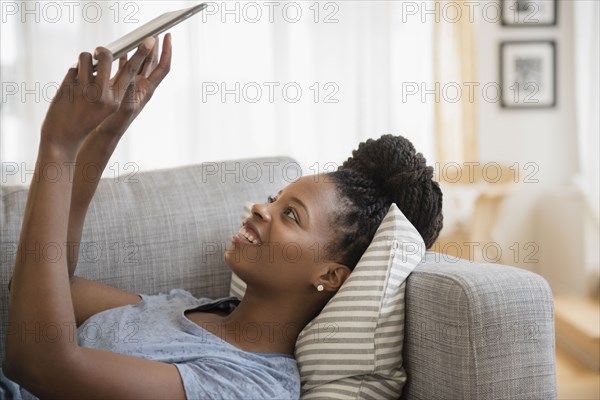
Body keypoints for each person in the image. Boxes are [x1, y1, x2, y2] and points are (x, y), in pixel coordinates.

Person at [1, 34, 443, 399]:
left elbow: (40, 363)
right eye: (274, 197)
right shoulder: (189, 307)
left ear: (330, 275)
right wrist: (108, 132)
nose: (260, 208)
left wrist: (58, 146)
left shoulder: (249, 385)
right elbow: (51, 284)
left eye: (290, 215)